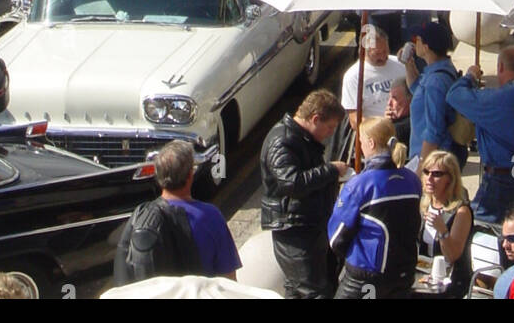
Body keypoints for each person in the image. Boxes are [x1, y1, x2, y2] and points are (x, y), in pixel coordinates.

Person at [260, 89, 348, 299]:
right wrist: (331, 170)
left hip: (308, 225)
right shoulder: (282, 141)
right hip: (294, 231)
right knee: (314, 291)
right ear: (315, 119)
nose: (331, 133)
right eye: (330, 127)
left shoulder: (303, 139)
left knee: (300, 289)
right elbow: (293, 182)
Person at [114, 140, 240, 285]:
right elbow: (229, 280)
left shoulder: (141, 217)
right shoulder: (211, 216)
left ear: (158, 177)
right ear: (190, 176)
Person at [445, 46, 514, 223]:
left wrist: (470, 75)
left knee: (478, 228)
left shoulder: (491, 100)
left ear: (500, 67)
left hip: (501, 175)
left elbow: (454, 95)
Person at [328, 116, 421, 300]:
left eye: (361, 142)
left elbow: (336, 238)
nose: (360, 146)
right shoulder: (412, 180)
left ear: (370, 143)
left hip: (368, 275)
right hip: (403, 273)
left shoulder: (359, 185)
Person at [404, 20, 465, 166]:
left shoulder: (435, 82)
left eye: (416, 40)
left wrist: (422, 168)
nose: (413, 43)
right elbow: (416, 88)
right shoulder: (438, 71)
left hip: (432, 161)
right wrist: (408, 64)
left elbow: (434, 131)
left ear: (425, 47)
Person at [416, 150, 473, 299]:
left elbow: (452, 255)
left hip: (450, 282)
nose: (429, 178)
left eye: (436, 174)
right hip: (423, 274)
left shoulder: (461, 211)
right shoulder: (423, 204)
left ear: (450, 179)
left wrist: (442, 230)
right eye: (426, 172)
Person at [341, 23, 405, 128]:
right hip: (377, 132)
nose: (384, 57)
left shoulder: (400, 64)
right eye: (378, 54)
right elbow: (354, 120)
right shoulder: (353, 77)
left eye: (385, 51)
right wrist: (381, 123)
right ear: (365, 51)